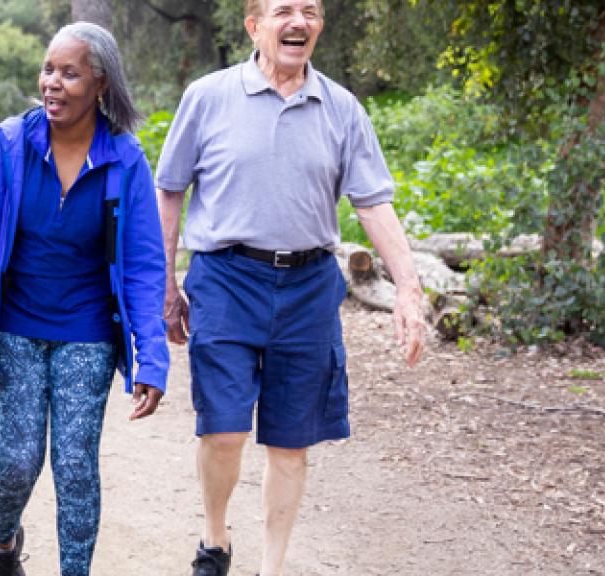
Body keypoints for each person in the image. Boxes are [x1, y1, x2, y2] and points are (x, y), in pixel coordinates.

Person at [152, 1, 428, 575]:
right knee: (223, 427)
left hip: (308, 286)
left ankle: (271, 568)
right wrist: (165, 283)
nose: (299, 21)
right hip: (226, 277)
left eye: (311, 11)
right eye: (284, 10)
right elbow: (171, 190)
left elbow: (373, 203)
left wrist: (408, 289)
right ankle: (215, 539)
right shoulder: (208, 97)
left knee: (290, 441)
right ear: (254, 27)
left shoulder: (341, 108)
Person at [0, 22, 169, 576]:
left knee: (75, 466)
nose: (53, 83)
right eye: (49, 70)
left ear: (100, 83)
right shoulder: (7, 148)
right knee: (17, 463)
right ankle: (3, 546)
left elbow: (144, 265)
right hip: (15, 332)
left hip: (87, 335)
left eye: (70, 73)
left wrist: (153, 357)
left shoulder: (124, 160)